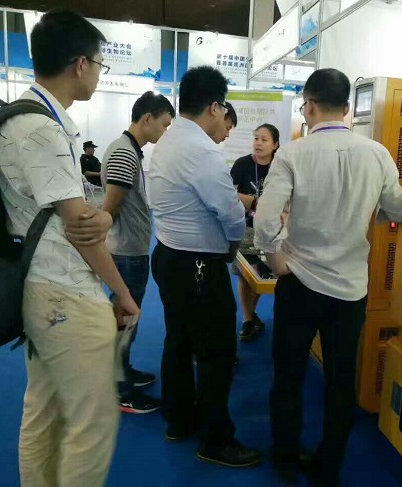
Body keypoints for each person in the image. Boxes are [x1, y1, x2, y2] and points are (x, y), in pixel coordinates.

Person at [0, 9, 140, 487]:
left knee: (45, 413)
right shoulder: (41, 129)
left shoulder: (23, 118)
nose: (98, 73)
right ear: (81, 64)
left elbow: (73, 215)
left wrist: (97, 216)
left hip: (40, 286)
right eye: (99, 64)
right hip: (65, 292)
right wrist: (122, 292)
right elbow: (80, 229)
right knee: (92, 423)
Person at [254, 68, 402, 485]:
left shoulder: (293, 153)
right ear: (347, 107)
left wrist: (276, 259)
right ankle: (329, 469)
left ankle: (285, 462)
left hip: (299, 282)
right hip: (351, 289)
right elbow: (400, 209)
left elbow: (265, 221)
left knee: (288, 377)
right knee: (341, 381)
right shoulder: (377, 153)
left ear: (308, 106)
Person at [148, 66, 260, 468]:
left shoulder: (168, 140)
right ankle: (215, 440)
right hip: (198, 265)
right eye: (224, 110)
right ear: (214, 106)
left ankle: (179, 420)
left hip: (168, 255)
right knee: (216, 352)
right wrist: (233, 245)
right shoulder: (202, 151)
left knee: (178, 341)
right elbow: (230, 214)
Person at [101, 91, 175, 414]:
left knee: (126, 320)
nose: (165, 132)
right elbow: (109, 210)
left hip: (131, 251)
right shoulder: (124, 152)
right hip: (125, 253)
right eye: (164, 124)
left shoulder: (131, 151)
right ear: (147, 119)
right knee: (124, 320)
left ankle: (122, 373)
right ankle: (119, 391)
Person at [229, 124, 280, 341]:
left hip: (271, 230)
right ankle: (248, 319)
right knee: (245, 275)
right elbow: (228, 193)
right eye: (256, 138)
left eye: (264, 139)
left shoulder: (280, 166)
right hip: (245, 227)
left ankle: (251, 313)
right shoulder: (242, 164)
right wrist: (252, 201)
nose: (258, 143)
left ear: (275, 144)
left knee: (262, 276)